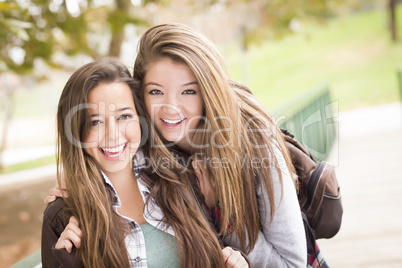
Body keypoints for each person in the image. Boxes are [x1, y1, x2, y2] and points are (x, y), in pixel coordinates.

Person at [41, 58, 249, 268]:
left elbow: (216, 253)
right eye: (95, 121)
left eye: (124, 116)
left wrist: (236, 262)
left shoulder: (179, 176)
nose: (112, 135)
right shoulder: (62, 217)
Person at [132, 22, 307, 267]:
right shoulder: (143, 143)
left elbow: (292, 264)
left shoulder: (255, 144)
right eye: (156, 92)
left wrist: (222, 214)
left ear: (208, 92)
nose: (170, 107)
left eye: (188, 92)